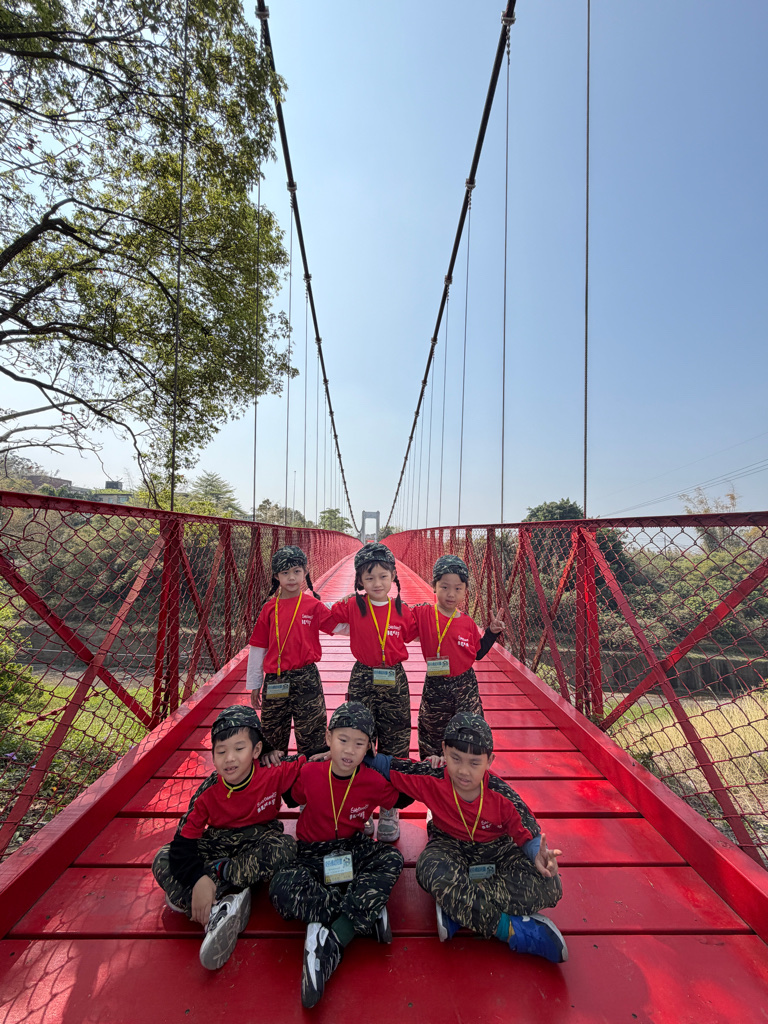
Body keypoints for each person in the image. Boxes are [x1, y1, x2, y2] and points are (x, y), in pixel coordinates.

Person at [365, 712, 567, 963]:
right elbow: (387, 765)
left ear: (489, 761)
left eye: (474, 763)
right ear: (443, 751)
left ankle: (457, 908)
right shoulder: (432, 776)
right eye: (455, 758)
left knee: (550, 886)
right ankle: (512, 930)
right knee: (428, 869)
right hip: (449, 846)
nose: (463, 771)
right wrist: (344, 753)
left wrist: (539, 855)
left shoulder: (502, 796)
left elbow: (529, 836)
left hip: (495, 852)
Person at [269, 702, 406, 1008]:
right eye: (342, 740)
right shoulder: (310, 773)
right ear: (328, 738)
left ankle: (333, 934)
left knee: (392, 859)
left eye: (359, 744)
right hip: (311, 853)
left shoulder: (372, 780)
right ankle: (364, 911)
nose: (349, 750)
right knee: (280, 888)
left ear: (369, 748)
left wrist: (393, 763)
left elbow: (404, 794)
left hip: (352, 849)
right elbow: (290, 793)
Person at [151, 705, 302, 970]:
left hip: (259, 840)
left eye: (239, 749)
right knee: (162, 859)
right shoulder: (208, 791)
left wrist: (346, 751)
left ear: (256, 750)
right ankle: (222, 904)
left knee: (286, 847)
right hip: (219, 843)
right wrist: (197, 878)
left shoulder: (272, 770)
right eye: (221, 752)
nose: (229, 759)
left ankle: (215, 892)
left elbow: (315, 761)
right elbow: (182, 844)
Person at [328, 542, 415, 841]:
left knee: (395, 740)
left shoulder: (403, 610)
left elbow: (420, 633)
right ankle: (360, 805)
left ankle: (390, 807)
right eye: (369, 577)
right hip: (363, 676)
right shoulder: (354, 606)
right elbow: (330, 618)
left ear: (393, 577)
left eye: (383, 576)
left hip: (394, 678)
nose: (377, 583)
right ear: (359, 581)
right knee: (358, 740)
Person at [246, 545, 336, 759]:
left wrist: (366, 613)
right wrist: (255, 684)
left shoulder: (313, 605)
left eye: (297, 571)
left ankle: (311, 774)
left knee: (314, 734)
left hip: (307, 677)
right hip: (275, 679)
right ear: (276, 576)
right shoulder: (269, 609)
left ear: (305, 572)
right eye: (285, 573)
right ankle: (277, 777)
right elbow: (258, 647)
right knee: (272, 735)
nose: (292, 578)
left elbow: (338, 625)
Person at [411, 554, 504, 759]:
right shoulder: (423, 613)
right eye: (444, 587)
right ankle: (432, 770)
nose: (451, 594)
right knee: (431, 731)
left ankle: (468, 769)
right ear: (434, 586)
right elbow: (395, 614)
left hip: (465, 685)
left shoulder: (467, 623)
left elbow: (478, 653)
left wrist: (491, 632)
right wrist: (362, 601)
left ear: (465, 591)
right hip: (435, 684)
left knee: (471, 730)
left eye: (458, 588)